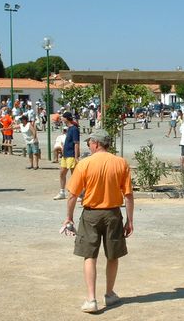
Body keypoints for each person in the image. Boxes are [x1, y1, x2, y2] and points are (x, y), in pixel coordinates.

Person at [61, 129, 134, 313]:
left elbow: (72, 195)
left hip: (91, 214)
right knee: (113, 255)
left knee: (89, 255)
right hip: (113, 214)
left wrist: (68, 217)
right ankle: (109, 294)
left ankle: (91, 299)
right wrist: (130, 220)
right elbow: (128, 195)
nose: (89, 146)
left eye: (89, 143)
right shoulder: (120, 163)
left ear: (96, 143)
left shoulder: (85, 164)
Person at [54, 112, 80, 200]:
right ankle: (62, 192)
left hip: (71, 155)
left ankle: (78, 193)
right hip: (65, 155)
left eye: (63, 117)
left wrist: (76, 157)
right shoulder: (68, 128)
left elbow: (76, 143)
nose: (61, 118)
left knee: (74, 175)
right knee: (62, 173)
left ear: (67, 118)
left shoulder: (74, 129)